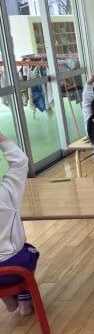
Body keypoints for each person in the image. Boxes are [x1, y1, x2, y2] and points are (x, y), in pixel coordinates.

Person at [0, 132, 38, 315]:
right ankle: (24, 299)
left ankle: (7, 298)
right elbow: (20, 161)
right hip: (11, 268)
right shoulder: (6, 193)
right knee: (30, 251)